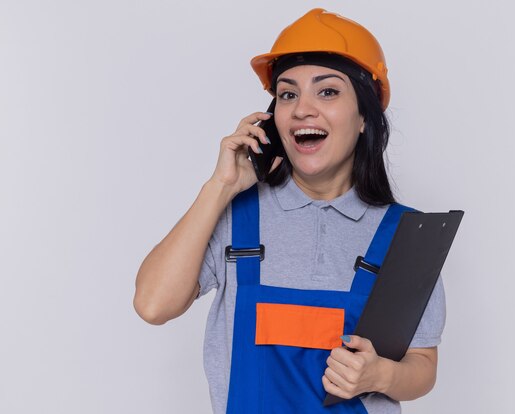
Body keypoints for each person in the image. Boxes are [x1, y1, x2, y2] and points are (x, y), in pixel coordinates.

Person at [134, 8, 446, 413]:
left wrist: (378, 376)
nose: (302, 109)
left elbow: (422, 365)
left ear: (365, 117)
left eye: (328, 91)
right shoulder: (236, 218)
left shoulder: (407, 235)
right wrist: (220, 187)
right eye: (287, 94)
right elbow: (153, 305)